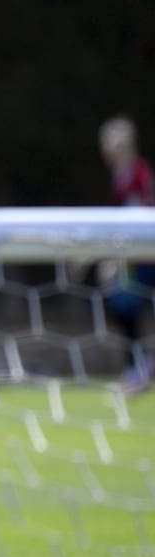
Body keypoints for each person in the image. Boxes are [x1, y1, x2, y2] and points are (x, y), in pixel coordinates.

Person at [97, 115, 155, 393]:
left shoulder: (138, 175)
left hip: (145, 254)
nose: (108, 148)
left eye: (113, 142)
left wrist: (118, 260)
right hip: (137, 255)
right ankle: (138, 368)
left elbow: (141, 220)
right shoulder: (121, 177)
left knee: (124, 300)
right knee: (122, 302)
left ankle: (138, 368)